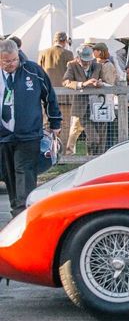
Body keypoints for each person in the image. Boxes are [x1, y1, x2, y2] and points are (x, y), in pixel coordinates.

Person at [0, 37, 61, 216]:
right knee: (9, 174)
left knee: (25, 172)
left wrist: (55, 121)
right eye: (5, 61)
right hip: (3, 135)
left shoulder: (33, 70)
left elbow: (49, 96)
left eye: (13, 60)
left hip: (28, 134)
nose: (11, 64)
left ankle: (23, 213)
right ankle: (16, 209)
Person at [63, 45, 104, 155]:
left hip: (96, 105)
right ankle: (70, 153)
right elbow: (66, 82)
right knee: (75, 130)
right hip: (80, 105)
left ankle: (86, 155)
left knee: (86, 133)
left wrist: (100, 83)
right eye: (84, 60)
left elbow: (104, 81)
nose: (87, 63)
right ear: (78, 58)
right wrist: (82, 84)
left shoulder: (98, 66)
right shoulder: (72, 65)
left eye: (89, 60)